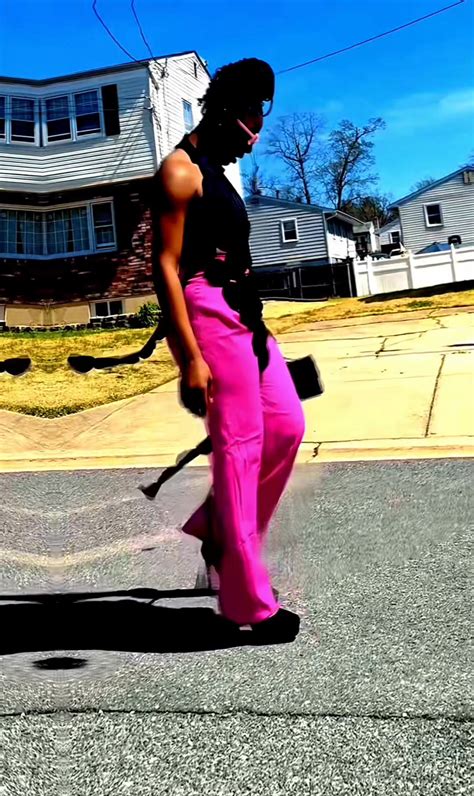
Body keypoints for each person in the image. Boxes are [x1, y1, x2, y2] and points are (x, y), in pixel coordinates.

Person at [152, 58, 305, 641]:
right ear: (222, 113)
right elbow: (165, 268)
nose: (254, 138)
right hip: (207, 312)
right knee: (239, 452)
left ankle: (221, 533)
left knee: (286, 425)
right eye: (249, 124)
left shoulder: (217, 171)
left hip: (245, 311)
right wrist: (188, 357)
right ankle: (247, 603)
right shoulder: (180, 171)